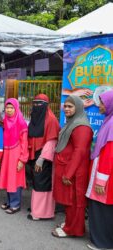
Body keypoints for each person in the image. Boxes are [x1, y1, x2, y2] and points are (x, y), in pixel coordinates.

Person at [52, 95, 93, 238]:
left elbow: (79, 151)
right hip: (69, 168)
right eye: (66, 106)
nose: (67, 109)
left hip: (75, 172)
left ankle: (73, 230)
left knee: (75, 201)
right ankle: (70, 224)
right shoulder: (73, 122)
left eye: (70, 106)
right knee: (70, 201)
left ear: (78, 108)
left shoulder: (81, 126)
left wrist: (68, 173)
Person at [86, 90, 113, 250]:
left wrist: (101, 181)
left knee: (102, 209)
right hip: (103, 174)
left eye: (103, 103)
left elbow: (109, 154)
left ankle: (103, 243)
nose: (100, 106)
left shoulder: (111, 125)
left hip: (105, 178)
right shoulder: (108, 121)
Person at [27, 94, 60, 220]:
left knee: (42, 183)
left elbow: (51, 141)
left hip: (44, 157)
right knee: (36, 182)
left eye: (40, 103)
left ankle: (41, 213)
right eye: (34, 103)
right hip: (34, 154)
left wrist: (41, 159)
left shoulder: (51, 120)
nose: (36, 106)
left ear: (46, 105)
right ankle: (36, 207)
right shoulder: (35, 117)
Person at [0, 98, 28, 214]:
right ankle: (10, 201)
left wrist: (22, 159)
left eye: (11, 108)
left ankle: (15, 204)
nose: (9, 110)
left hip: (17, 154)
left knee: (15, 178)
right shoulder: (4, 121)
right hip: (7, 153)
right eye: (7, 107)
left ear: (16, 108)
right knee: (8, 177)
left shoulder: (21, 123)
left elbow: (25, 143)